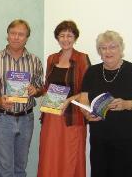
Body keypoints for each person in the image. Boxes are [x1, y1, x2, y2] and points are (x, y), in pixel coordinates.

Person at [0, 19, 44, 177]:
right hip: (2, 119)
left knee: (20, 167)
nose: (16, 37)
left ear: (27, 38)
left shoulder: (35, 61)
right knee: (5, 169)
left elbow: (40, 88)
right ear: (8, 35)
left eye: (21, 34)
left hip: (26, 119)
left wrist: (34, 90)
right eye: (13, 33)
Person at [80, 30, 132, 177]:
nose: (108, 51)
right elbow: (84, 98)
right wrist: (86, 112)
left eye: (113, 47)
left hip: (127, 139)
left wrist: (127, 104)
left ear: (121, 49)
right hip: (99, 138)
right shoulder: (92, 72)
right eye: (103, 47)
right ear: (99, 51)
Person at [37, 20, 91, 177]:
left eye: (69, 35)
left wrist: (69, 100)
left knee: (69, 159)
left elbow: (88, 91)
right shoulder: (51, 59)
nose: (65, 39)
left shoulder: (82, 59)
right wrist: (40, 93)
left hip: (73, 118)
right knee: (50, 157)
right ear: (57, 38)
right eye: (62, 35)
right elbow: (47, 86)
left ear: (75, 37)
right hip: (51, 117)